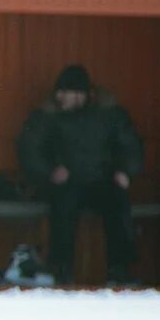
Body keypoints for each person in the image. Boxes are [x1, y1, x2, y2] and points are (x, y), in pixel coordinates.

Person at [17, 64, 143, 286]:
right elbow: (29, 147)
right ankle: (61, 270)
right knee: (63, 206)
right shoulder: (49, 113)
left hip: (102, 180)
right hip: (67, 183)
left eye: (66, 92)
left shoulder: (108, 113)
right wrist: (49, 172)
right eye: (59, 92)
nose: (60, 97)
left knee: (117, 203)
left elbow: (130, 145)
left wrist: (125, 172)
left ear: (81, 95)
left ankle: (119, 271)